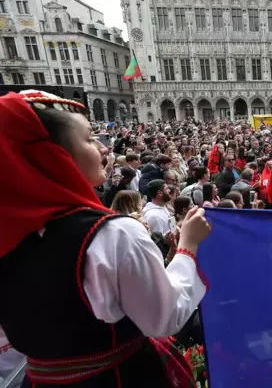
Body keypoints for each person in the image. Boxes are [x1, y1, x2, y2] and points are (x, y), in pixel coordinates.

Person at [0, 91, 212, 387]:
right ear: (53, 154)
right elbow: (163, 318)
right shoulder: (112, 234)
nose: (104, 148)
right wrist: (188, 248)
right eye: (89, 139)